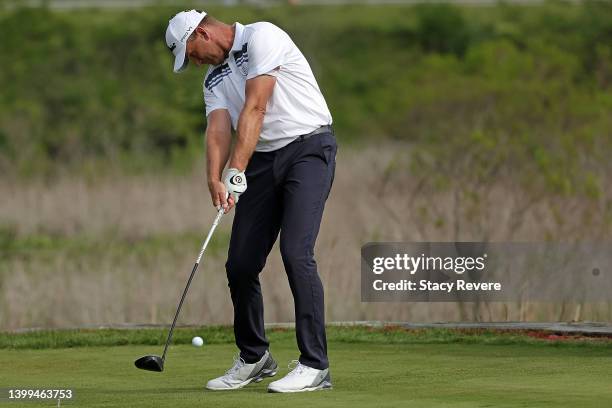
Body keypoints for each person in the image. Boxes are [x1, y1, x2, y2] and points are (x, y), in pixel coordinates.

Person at [165, 10, 337, 393]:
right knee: (240, 263)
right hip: (263, 161)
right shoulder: (213, 78)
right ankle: (254, 356)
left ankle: (315, 365)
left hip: (308, 149)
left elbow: (256, 107)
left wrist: (236, 169)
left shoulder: (261, 36)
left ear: (203, 33)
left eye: (192, 53)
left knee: (296, 253)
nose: (194, 63)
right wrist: (215, 177)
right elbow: (218, 128)